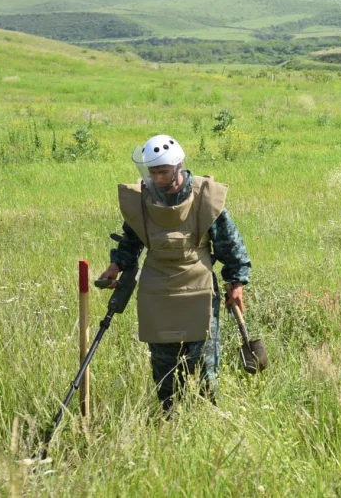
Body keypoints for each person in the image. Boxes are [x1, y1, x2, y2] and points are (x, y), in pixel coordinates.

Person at [97, 134, 251, 412]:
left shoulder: (205, 196)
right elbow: (131, 241)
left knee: (204, 364)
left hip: (199, 287)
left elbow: (229, 243)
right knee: (164, 366)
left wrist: (236, 281)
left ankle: (205, 416)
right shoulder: (142, 200)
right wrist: (115, 265)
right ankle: (169, 415)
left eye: (163, 172)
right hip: (157, 291)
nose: (157, 178)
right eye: (152, 172)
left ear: (179, 165)